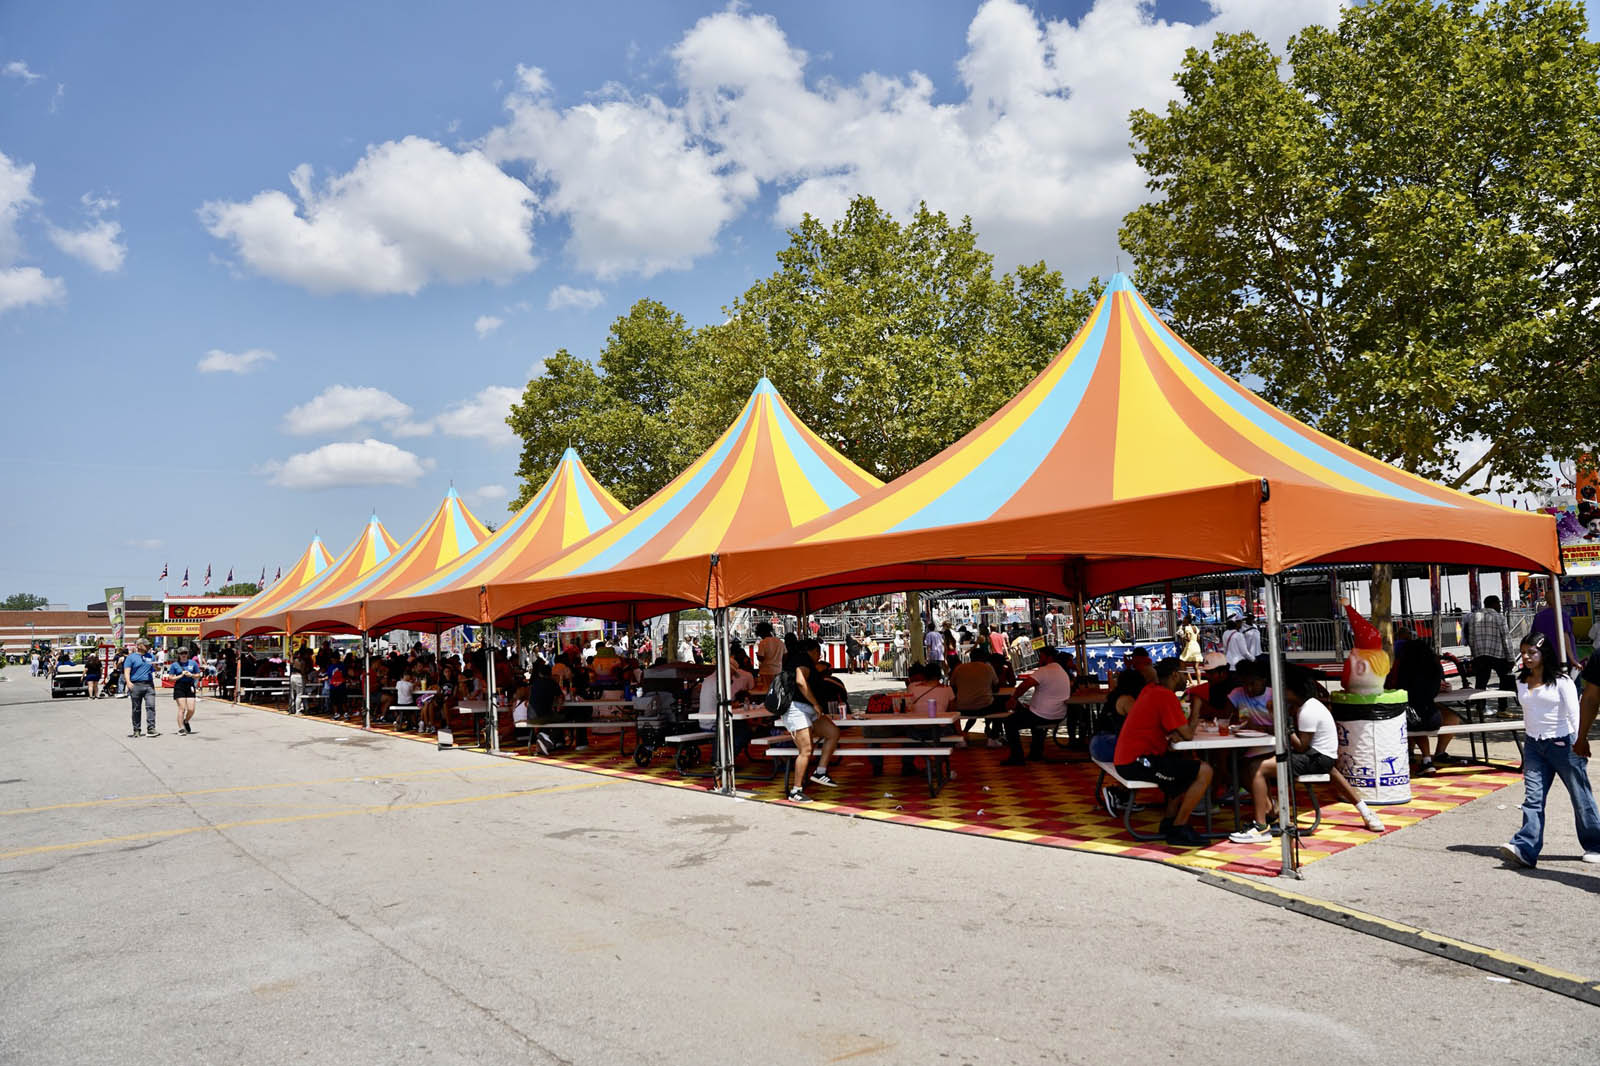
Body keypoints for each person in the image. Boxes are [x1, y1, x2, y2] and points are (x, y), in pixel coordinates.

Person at [1230, 670, 1384, 841]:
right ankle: (1270, 810)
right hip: (1323, 757)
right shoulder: (1309, 705)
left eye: (1284, 690)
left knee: (1257, 768)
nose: (1281, 694)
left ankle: (1260, 827)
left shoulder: (1307, 711)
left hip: (1315, 758)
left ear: (1294, 692)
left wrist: (1285, 725)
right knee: (1252, 763)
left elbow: (1301, 746)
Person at [1498, 632, 1600, 868]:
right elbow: (1528, 713)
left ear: (1544, 654)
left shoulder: (1562, 681)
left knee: (1580, 796)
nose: (1526, 657)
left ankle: (1595, 844)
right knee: (1533, 798)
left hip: (1563, 744)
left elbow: (1575, 713)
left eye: (1532, 652)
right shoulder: (1520, 679)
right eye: (1523, 653)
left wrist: (1580, 741)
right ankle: (1526, 847)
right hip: (1534, 745)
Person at [1112, 657, 1213, 847]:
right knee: (1204, 770)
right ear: (1175, 675)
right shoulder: (1164, 695)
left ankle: (1169, 823)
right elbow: (1189, 735)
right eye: (1185, 674)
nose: (1188, 678)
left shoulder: (1150, 690)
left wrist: (1171, 734)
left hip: (1131, 758)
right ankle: (1179, 828)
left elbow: (1165, 726)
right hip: (1136, 762)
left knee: (1183, 768)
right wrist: (1197, 708)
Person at [776, 648, 842, 800]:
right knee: (806, 750)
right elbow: (800, 680)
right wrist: (815, 703)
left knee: (833, 732)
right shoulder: (803, 660)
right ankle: (796, 791)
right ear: (812, 651)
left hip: (808, 710)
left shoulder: (804, 663)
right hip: (797, 709)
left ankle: (820, 771)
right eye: (819, 653)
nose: (820, 657)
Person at [1390, 628, 1458, 773]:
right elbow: (1432, 692)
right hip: (1432, 716)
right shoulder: (1433, 668)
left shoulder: (1401, 669)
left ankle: (1426, 759)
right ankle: (1436, 754)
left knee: (1416, 720)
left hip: (1410, 716)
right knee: (1451, 717)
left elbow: (1394, 687)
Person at [1002, 645, 1073, 765]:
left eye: (1041, 657)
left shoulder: (1045, 670)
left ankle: (1017, 757)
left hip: (1043, 714)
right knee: (1031, 716)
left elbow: (1025, 685)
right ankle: (1036, 752)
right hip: (1059, 713)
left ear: (1048, 657)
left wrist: (1014, 698)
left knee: (1010, 722)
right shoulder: (1062, 671)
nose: (1039, 660)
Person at [950, 647, 1002, 747]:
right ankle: (993, 737)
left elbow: (953, 688)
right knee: (1001, 707)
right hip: (985, 707)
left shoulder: (959, 668)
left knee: (950, 708)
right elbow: (996, 687)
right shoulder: (988, 668)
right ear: (984, 657)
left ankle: (959, 737)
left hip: (962, 707)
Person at [1466, 594, 1514, 689]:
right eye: (1499, 604)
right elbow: (1506, 639)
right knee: (1504, 679)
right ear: (1494, 604)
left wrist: (1474, 655)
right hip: (1498, 654)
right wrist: (1511, 659)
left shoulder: (1473, 617)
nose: (1500, 607)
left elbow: (1471, 639)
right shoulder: (1499, 617)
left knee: (1481, 682)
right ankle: (1502, 702)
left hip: (1480, 656)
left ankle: (1480, 703)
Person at [124, 640, 159, 737]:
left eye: (149, 645)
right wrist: (128, 682)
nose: (148, 647)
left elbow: (156, 669)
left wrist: (156, 666)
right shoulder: (131, 657)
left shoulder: (151, 656)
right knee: (136, 708)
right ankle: (136, 729)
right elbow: (127, 670)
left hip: (149, 685)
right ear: (139, 646)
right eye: (146, 645)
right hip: (136, 685)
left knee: (151, 706)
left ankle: (151, 728)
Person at [167, 647, 203, 734]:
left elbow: (198, 675)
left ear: (188, 654)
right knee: (182, 708)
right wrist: (180, 676)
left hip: (190, 686)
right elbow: (170, 678)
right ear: (178, 655)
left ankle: (186, 721)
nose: (183, 655)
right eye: (181, 653)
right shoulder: (175, 665)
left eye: (185, 653)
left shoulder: (193, 663)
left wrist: (191, 675)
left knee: (191, 709)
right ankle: (181, 728)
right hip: (179, 686)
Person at [753, 622, 785, 686]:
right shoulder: (780, 642)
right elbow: (785, 655)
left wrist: (757, 656)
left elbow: (761, 658)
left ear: (761, 632)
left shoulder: (763, 643)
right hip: (778, 671)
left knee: (767, 690)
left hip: (766, 672)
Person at [1177, 616, 1203, 680]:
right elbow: (1198, 638)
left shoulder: (1187, 628)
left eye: (1184, 619)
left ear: (1187, 620)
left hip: (1190, 646)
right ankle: (1199, 683)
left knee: (1183, 665)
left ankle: (1190, 681)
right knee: (1196, 667)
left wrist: (1182, 636)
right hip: (1196, 646)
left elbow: (1188, 639)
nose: (1183, 620)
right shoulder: (1196, 628)